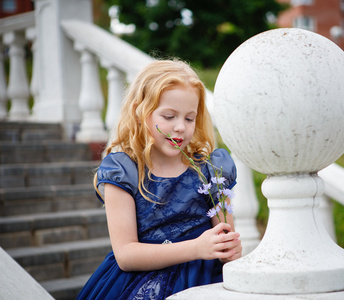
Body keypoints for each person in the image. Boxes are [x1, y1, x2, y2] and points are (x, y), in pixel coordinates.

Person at [77, 59, 242, 299]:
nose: (180, 128)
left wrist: (230, 249)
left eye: (189, 118)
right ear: (140, 112)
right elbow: (126, 255)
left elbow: (225, 241)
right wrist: (196, 248)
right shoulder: (123, 171)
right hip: (141, 282)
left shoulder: (210, 171)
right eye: (168, 116)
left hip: (205, 280)